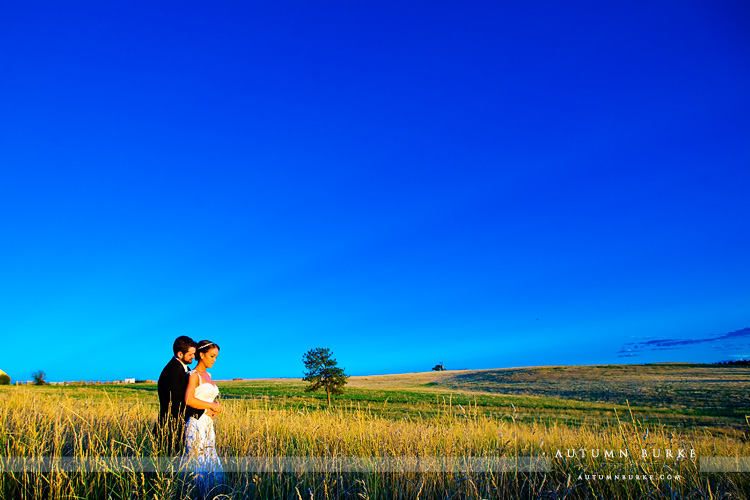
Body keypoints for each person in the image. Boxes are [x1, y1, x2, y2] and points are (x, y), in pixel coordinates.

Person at [180, 340, 224, 498]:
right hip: (196, 423)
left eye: (216, 357)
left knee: (210, 458)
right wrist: (210, 406)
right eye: (212, 356)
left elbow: (207, 399)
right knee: (198, 461)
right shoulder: (194, 375)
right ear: (201, 354)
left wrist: (215, 407)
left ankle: (212, 494)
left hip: (208, 425)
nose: (214, 359)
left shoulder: (209, 375)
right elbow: (189, 400)